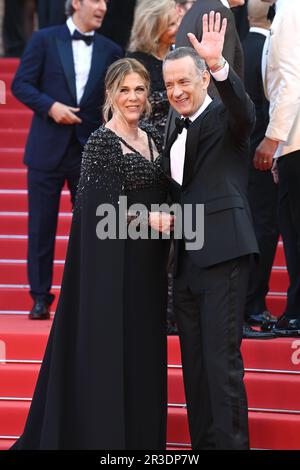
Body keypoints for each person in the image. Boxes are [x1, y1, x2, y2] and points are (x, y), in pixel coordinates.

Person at [11, 57, 173, 450]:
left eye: (138, 89)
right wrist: (149, 220)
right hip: (113, 274)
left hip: (149, 272)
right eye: (124, 90)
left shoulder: (153, 135)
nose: (133, 97)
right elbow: (99, 217)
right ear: (110, 95)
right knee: (115, 356)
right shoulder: (101, 142)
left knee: (144, 356)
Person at [162, 11, 258, 449]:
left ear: (203, 79)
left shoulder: (226, 117)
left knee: (221, 367)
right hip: (184, 263)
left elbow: (245, 113)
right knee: (195, 371)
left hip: (223, 256)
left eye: (185, 81)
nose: (177, 91)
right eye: (169, 85)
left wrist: (221, 66)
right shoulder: (169, 127)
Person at [11, 0, 123, 320]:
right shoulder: (43, 39)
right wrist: (50, 107)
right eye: (96, 1)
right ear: (76, 3)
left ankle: (89, 293)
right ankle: (39, 297)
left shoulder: (112, 49)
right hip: (46, 149)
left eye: (105, 2)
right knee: (41, 227)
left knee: (92, 226)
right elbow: (21, 84)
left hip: (88, 150)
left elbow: (115, 100)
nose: (103, 7)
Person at [254, 0, 300, 336]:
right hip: (292, 142)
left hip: (295, 141)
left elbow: (291, 84)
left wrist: (273, 141)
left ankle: (297, 314)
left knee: (295, 233)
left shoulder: (291, 10)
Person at [242, 0, 278, 339]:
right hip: (265, 157)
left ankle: (247, 303)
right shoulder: (273, 48)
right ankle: (253, 304)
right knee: (265, 229)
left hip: (240, 156)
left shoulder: (237, 47)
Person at [127, 0, 180, 136]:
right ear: (154, 28)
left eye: (178, 20)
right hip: (148, 145)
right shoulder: (135, 63)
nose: (179, 26)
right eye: (171, 24)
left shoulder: (181, 55)